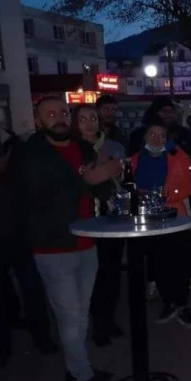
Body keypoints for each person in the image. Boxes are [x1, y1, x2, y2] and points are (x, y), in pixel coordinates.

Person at [23, 96, 121, 381]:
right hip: (54, 248)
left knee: (80, 313)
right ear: (38, 120)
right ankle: (82, 379)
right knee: (69, 316)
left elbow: (100, 188)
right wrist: (90, 179)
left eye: (63, 112)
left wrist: (111, 175)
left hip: (86, 242)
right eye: (50, 114)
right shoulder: (31, 153)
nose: (59, 118)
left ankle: (78, 367)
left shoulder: (82, 148)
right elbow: (41, 197)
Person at [0, 103, 57, 367]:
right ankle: (1, 346)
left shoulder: (14, 145)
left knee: (32, 288)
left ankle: (42, 337)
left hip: (20, 229)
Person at [130, 118, 191, 328]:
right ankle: (168, 302)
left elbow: (188, 184)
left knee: (180, 262)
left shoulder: (177, 157)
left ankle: (182, 304)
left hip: (174, 215)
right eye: (153, 134)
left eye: (161, 135)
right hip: (149, 218)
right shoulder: (135, 160)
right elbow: (129, 186)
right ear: (145, 136)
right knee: (158, 262)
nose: (157, 139)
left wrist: (165, 196)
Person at [72, 104, 126, 347]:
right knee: (93, 275)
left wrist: (116, 173)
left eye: (92, 118)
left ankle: (109, 319)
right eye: (83, 119)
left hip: (113, 213)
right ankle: (98, 325)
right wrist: (100, 174)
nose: (89, 123)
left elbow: (123, 177)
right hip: (85, 216)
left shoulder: (114, 146)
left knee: (111, 272)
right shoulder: (72, 149)